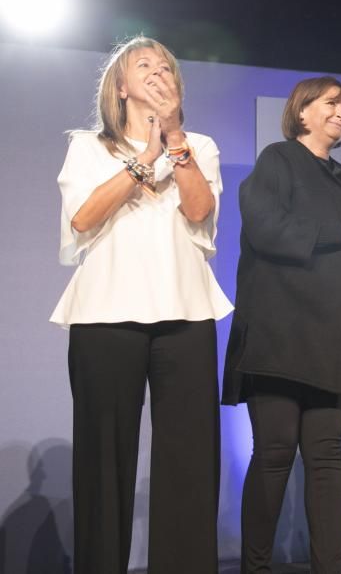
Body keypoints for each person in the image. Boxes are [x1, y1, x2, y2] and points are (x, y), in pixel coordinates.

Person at [50, 36, 233, 573]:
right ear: (122, 86)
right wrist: (143, 160)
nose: (157, 74)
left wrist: (172, 141)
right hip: (105, 317)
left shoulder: (197, 144)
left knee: (189, 461)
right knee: (104, 462)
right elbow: (83, 218)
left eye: (166, 67)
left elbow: (200, 212)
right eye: (144, 66)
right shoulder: (88, 145)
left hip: (185, 315)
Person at [221, 76, 341, 574]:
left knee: (326, 461)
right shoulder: (277, 161)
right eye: (332, 103)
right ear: (302, 112)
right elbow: (264, 228)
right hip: (279, 336)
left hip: (332, 339)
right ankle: (255, 568)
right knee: (275, 454)